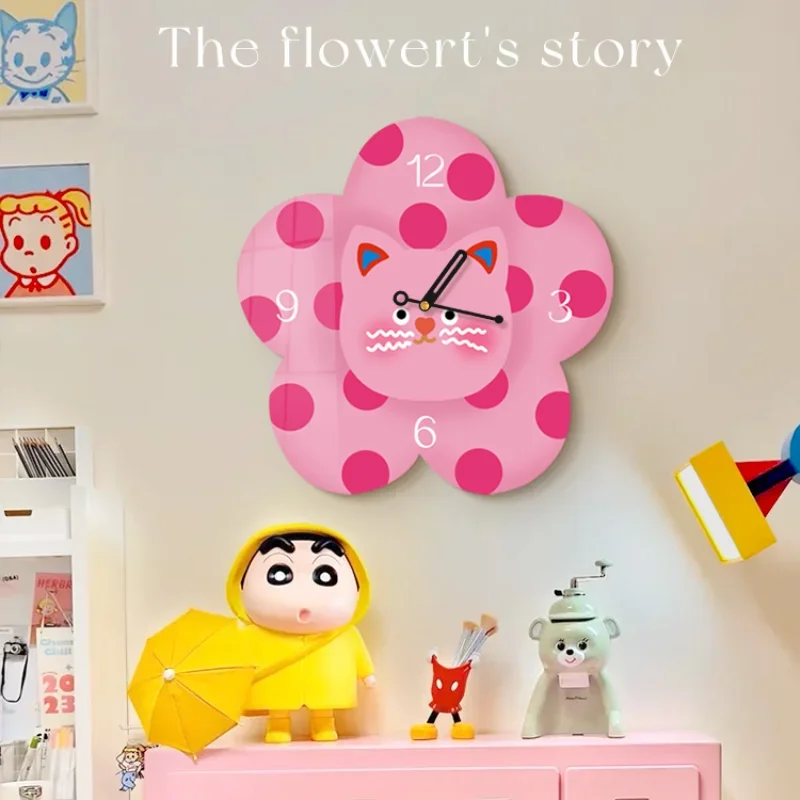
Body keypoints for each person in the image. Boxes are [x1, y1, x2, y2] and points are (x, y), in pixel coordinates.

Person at [226, 523, 376, 743]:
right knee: (278, 704)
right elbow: (238, 658)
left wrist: (366, 674)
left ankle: (323, 725)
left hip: (326, 684)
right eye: (278, 574)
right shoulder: (253, 635)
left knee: (323, 706)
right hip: (276, 685)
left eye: (325, 575)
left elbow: (358, 652)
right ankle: (278, 726)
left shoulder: (344, 635)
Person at [0, 188, 91, 298]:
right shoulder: (16, 291)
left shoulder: (61, 290)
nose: (29, 251)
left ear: (68, 245)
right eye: (18, 243)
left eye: (45, 243)